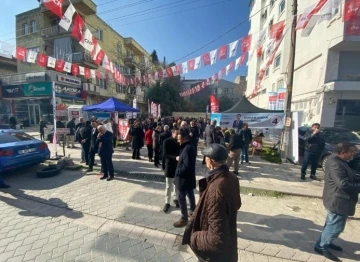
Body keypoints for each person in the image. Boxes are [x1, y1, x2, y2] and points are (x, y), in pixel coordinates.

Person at [182, 143, 241, 262]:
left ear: (211, 161)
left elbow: (217, 240)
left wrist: (194, 237)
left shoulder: (216, 188)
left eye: (205, 158)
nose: (205, 160)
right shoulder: (232, 177)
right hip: (228, 249)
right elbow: (237, 204)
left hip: (213, 257)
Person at [314, 142, 360, 261]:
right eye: (351, 152)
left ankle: (325, 242)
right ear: (343, 152)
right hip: (338, 201)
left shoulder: (340, 161)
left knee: (330, 224)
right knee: (336, 227)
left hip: (335, 199)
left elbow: (350, 176)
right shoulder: (335, 163)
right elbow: (343, 184)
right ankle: (321, 246)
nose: (354, 154)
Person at [173, 128, 197, 228]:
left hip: (183, 179)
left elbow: (187, 166)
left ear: (183, 138)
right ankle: (192, 211)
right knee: (190, 194)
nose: (177, 140)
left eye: (179, 138)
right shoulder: (188, 146)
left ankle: (184, 218)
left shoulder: (187, 149)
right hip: (189, 179)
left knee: (181, 198)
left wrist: (177, 171)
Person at [163, 129, 180, 213]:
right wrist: (175, 157)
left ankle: (176, 198)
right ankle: (167, 202)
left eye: (178, 134)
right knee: (168, 186)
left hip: (178, 167)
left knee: (176, 184)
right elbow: (164, 154)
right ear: (172, 133)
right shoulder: (167, 141)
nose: (177, 136)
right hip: (170, 166)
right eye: (176, 134)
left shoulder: (180, 142)